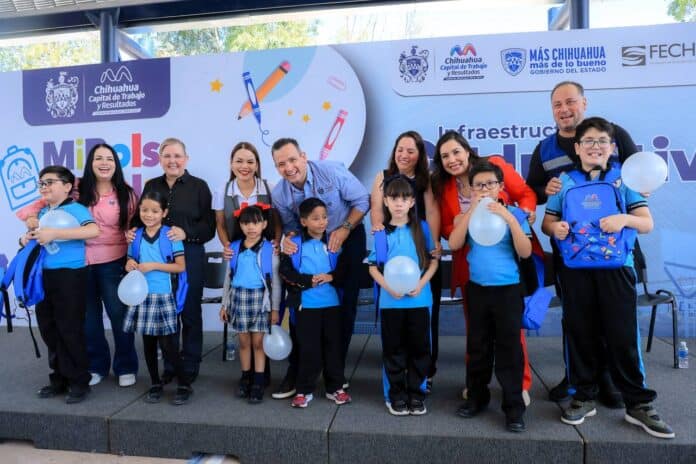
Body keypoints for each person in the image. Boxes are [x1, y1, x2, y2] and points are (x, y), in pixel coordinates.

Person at [541, 117, 673, 439]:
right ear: (577, 148)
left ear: (612, 147)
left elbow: (646, 223)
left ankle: (638, 403)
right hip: (575, 271)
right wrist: (555, 228)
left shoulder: (624, 180)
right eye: (588, 141)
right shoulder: (564, 183)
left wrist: (623, 218)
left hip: (617, 270)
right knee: (579, 334)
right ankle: (583, 396)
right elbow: (548, 223)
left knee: (623, 335)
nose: (595, 146)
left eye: (602, 141)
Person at [526, 81, 637, 406]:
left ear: (584, 103)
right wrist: (547, 190)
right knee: (576, 320)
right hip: (571, 253)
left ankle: (610, 380)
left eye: (570, 102)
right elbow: (533, 192)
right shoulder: (544, 149)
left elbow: (639, 176)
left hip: (615, 251)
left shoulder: (614, 134)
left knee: (614, 321)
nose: (564, 109)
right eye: (557, 104)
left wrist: (633, 207)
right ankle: (577, 379)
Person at [16, 143, 140, 388]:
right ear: (90, 163)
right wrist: (31, 218)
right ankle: (97, 365)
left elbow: (135, 224)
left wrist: (133, 237)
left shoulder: (126, 192)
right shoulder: (77, 188)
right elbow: (41, 203)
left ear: (116, 164)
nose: (104, 163)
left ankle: (125, 366)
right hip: (81, 264)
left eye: (109, 159)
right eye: (98, 158)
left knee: (119, 316)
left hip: (113, 261)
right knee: (88, 319)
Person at [432, 130, 536, 404]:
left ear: (467, 151)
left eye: (456, 152)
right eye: (445, 156)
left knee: (512, 333)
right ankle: (477, 387)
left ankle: (519, 385)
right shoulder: (443, 187)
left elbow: (525, 195)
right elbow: (447, 229)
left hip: (506, 263)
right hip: (472, 265)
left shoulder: (494, 166)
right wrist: (461, 221)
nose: (452, 159)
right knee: (476, 333)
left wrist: (522, 216)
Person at [271, 138, 369, 399]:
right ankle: (297, 371)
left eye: (293, 159)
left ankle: (335, 373)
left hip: (346, 232)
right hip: (310, 241)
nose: (289, 167)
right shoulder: (279, 193)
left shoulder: (331, 171)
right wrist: (289, 238)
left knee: (345, 303)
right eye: (281, 164)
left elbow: (362, 200)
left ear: (303, 156)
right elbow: (291, 225)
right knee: (299, 304)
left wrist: (344, 229)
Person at [448, 160, 531, 433]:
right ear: (471, 189)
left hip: (508, 290)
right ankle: (477, 398)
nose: (484, 189)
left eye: (490, 184)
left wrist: (509, 217)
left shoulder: (514, 213)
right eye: (478, 185)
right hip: (477, 289)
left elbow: (525, 251)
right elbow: (454, 243)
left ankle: (514, 407)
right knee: (478, 347)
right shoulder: (468, 215)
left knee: (510, 349)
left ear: (500, 186)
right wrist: (471, 211)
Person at [133, 137, 215, 391]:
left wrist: (186, 233)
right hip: (156, 260)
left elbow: (209, 227)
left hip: (189, 255)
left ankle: (190, 365)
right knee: (165, 315)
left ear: (186, 159)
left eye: (177, 156)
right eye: (167, 156)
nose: (172, 161)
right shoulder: (151, 185)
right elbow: (141, 217)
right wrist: (132, 232)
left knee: (189, 312)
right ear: (160, 159)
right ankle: (170, 366)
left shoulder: (199, 187)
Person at [370, 131, 442, 392]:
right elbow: (376, 209)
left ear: (420, 155)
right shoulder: (383, 176)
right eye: (400, 149)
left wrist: (434, 244)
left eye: (411, 151)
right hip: (393, 253)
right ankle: (397, 379)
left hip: (420, 251)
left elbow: (431, 210)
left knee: (425, 319)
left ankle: (424, 373)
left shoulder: (426, 178)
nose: (404, 155)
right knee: (395, 323)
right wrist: (381, 239)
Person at [21, 166, 100, 404]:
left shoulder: (76, 209)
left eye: (50, 182)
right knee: (49, 327)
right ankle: (59, 378)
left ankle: (79, 380)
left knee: (69, 327)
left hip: (70, 275)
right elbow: (37, 238)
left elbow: (93, 230)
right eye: (41, 183)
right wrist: (26, 238)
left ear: (67, 186)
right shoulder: (42, 211)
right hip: (43, 276)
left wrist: (54, 233)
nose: (44, 187)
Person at [213, 141, 280, 384]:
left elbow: (277, 221)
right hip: (239, 253)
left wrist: (277, 242)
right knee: (244, 338)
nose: (245, 166)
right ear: (231, 164)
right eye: (239, 161)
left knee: (261, 333)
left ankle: (261, 378)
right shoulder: (223, 189)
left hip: (265, 252)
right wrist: (227, 247)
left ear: (258, 164)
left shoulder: (270, 187)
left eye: (250, 161)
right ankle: (248, 377)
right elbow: (220, 224)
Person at [279, 198, 351, 408]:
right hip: (306, 307)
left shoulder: (335, 242)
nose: (322, 222)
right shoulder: (294, 245)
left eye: (324, 217)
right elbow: (285, 272)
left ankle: (335, 388)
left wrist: (331, 277)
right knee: (308, 349)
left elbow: (345, 270)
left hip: (332, 306)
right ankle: (303, 390)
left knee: (333, 347)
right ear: (303, 222)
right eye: (315, 218)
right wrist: (307, 281)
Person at [124, 190, 191, 405]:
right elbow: (129, 261)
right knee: (148, 343)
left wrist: (154, 266)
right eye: (144, 210)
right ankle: (155, 382)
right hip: (143, 296)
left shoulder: (170, 236)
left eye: (155, 211)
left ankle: (184, 384)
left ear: (164, 213)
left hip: (164, 295)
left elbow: (180, 267)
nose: (149, 215)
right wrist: (129, 264)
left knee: (169, 345)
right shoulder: (135, 236)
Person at [219, 205, 281, 404]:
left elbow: (276, 283)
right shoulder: (234, 248)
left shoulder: (270, 250)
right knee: (244, 342)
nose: (251, 227)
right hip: (238, 298)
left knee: (258, 343)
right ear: (240, 225)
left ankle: (259, 381)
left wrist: (275, 309)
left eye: (255, 222)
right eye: (246, 223)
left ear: (264, 224)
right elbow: (228, 278)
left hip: (260, 301)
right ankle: (246, 377)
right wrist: (224, 304)